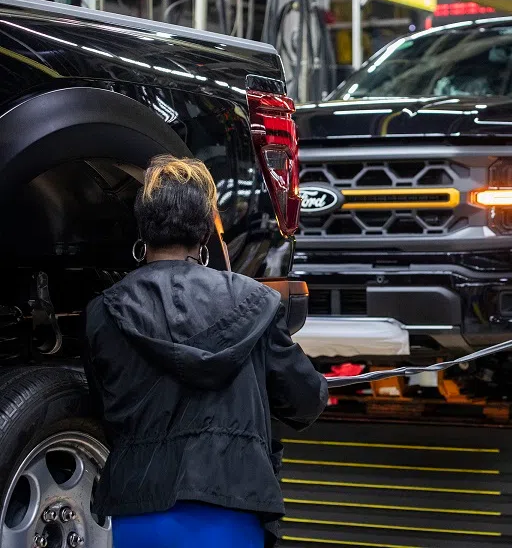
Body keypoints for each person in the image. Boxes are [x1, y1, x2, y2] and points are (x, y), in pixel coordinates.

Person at [82, 155, 328, 548]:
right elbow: (305, 400)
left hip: (137, 510)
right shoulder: (256, 303)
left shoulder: (103, 312)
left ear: (143, 229)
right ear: (204, 233)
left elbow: (102, 410)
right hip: (233, 503)